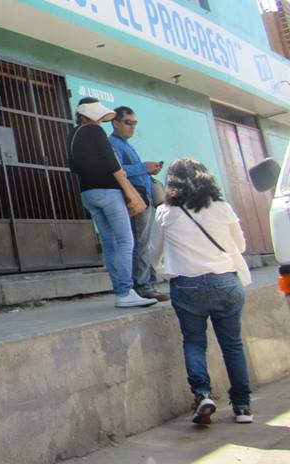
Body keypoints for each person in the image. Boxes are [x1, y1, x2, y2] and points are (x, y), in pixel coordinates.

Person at [151, 157, 253, 426]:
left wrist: (163, 267)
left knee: (194, 342)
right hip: (225, 282)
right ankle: (242, 406)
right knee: (232, 345)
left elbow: (153, 254)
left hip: (186, 286)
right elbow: (239, 246)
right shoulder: (222, 207)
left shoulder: (165, 213)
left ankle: (203, 394)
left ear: (172, 183)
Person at [68, 97, 157, 308]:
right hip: (108, 192)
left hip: (88, 194)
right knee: (126, 241)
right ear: (90, 113)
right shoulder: (95, 131)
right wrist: (128, 191)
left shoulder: (73, 134)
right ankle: (125, 292)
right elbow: (112, 163)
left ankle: (121, 291)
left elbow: (73, 167)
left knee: (110, 244)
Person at [109, 106, 169, 302]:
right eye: (128, 123)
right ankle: (142, 287)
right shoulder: (114, 143)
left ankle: (148, 284)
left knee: (145, 243)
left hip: (146, 198)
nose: (132, 127)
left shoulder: (125, 144)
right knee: (139, 244)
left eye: (134, 123)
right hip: (137, 199)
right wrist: (144, 167)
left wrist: (148, 170)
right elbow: (118, 170)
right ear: (115, 122)